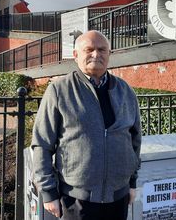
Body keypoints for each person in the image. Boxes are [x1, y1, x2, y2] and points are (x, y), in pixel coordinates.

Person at [31, 30, 142, 220]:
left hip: (118, 197)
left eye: (102, 49)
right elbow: (42, 144)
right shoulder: (59, 90)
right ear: (75, 55)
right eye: (89, 49)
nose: (96, 54)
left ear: (109, 53)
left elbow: (134, 140)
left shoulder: (125, 91)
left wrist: (131, 183)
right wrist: (49, 193)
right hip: (76, 200)